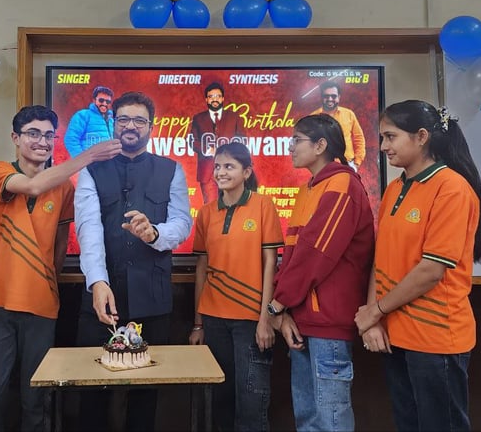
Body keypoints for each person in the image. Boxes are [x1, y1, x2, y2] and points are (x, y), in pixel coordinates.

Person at [354, 101, 481, 432]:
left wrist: (375, 311)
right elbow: (380, 258)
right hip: (396, 335)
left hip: (436, 338)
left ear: (421, 137)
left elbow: (432, 270)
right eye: (382, 137)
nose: (385, 146)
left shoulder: (452, 188)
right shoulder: (394, 189)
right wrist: (373, 320)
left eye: (391, 137)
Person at [0, 105, 121, 431]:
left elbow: (60, 244)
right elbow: (31, 187)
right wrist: (89, 155)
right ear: (15, 138)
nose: (42, 141)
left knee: (37, 397)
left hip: (43, 304)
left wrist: (47, 282)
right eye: (33, 133)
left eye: (48, 135)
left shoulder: (66, 188)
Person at [74, 91, 192, 431]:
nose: (131, 126)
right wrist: (98, 282)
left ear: (151, 127)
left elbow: (182, 224)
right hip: (100, 298)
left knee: (145, 397)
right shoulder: (91, 170)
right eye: (123, 119)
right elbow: (88, 231)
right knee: (92, 392)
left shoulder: (171, 170)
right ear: (114, 123)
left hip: (152, 299)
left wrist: (155, 233)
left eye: (139, 120)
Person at [267, 114, 375, 432]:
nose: (290, 147)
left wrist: (277, 304)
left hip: (327, 324)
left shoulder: (342, 184)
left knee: (330, 418)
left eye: (296, 140)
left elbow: (315, 256)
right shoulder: (309, 189)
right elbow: (294, 257)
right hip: (302, 320)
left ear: (321, 145)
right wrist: (282, 308)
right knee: (309, 420)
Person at [188, 142, 283, 432]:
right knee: (220, 400)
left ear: (247, 171)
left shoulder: (263, 205)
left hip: (251, 322)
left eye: (228, 166)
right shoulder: (205, 213)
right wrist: (197, 324)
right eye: (217, 166)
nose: (220, 172)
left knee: (252, 402)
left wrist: (265, 319)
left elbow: (271, 264)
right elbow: (202, 270)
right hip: (214, 320)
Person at [190, 82, 247, 203]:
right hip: (207, 171)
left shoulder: (234, 117)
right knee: (211, 208)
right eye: (211, 97)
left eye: (217, 96)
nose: (214, 99)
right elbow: (192, 141)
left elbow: (242, 140)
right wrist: (207, 150)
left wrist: (229, 152)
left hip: (231, 170)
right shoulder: (198, 118)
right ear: (206, 99)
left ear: (222, 98)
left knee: (232, 207)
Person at [310, 81, 366, 171]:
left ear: (339, 97)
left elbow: (359, 139)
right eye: (326, 96)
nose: (330, 99)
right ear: (321, 97)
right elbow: (309, 144)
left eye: (333, 96)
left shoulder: (349, 114)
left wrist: (356, 164)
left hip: (347, 165)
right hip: (322, 167)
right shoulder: (313, 117)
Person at [64, 85, 115, 157]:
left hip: (107, 165)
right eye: (101, 100)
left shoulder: (111, 120)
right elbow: (71, 139)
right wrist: (81, 161)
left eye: (108, 101)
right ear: (94, 100)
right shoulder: (83, 115)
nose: (104, 103)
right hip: (88, 165)